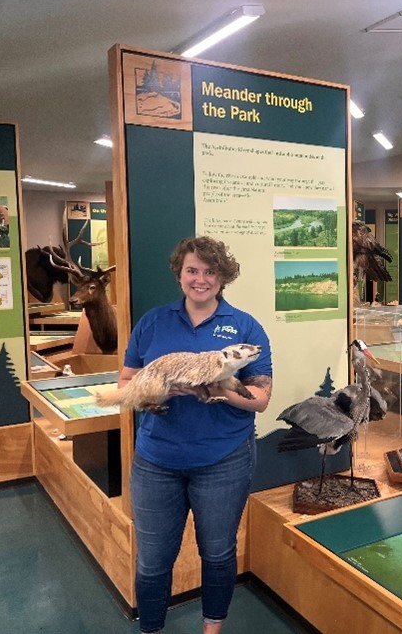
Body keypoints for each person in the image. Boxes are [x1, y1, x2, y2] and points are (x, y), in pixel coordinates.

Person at [120, 236, 273, 634]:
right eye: (192, 270)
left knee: (218, 553)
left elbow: (259, 398)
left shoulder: (245, 328)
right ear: (179, 274)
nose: (200, 279)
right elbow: (127, 383)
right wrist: (164, 388)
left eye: (210, 272)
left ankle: (212, 630)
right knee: (152, 559)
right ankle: (151, 628)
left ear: (223, 277)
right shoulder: (153, 323)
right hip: (157, 461)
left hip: (223, 460)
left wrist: (222, 389)